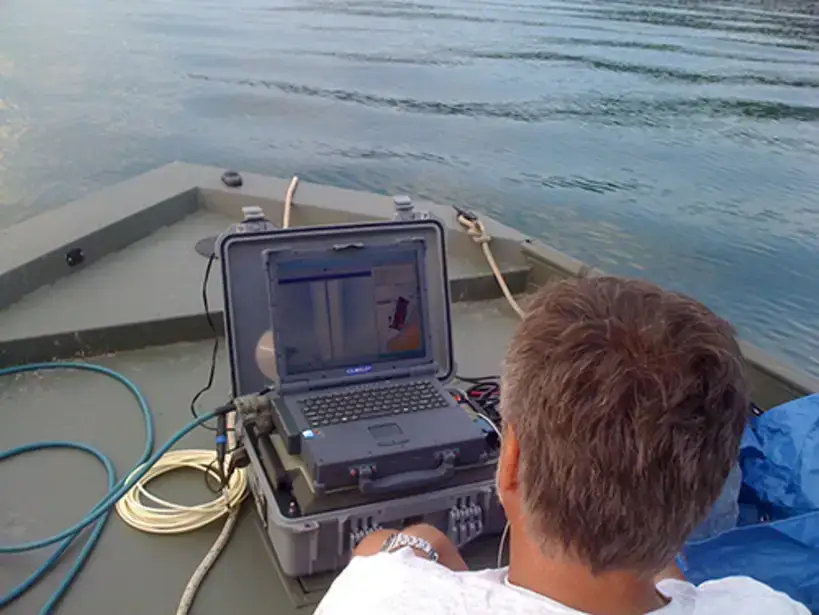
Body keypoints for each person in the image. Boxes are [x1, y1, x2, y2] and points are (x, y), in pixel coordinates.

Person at [314, 276, 810, 615]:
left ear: (511, 464)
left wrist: (424, 538)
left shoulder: (379, 597)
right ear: (703, 494)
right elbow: (670, 580)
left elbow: (378, 551)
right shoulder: (762, 605)